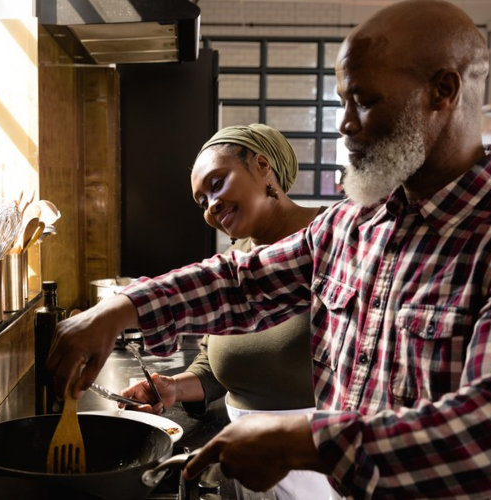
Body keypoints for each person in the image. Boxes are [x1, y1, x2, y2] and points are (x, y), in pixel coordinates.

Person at [50, 0, 491, 497]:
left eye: (365, 100)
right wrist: (119, 309)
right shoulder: (355, 223)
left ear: (442, 91)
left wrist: (302, 440)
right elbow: (242, 283)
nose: (346, 124)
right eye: (342, 101)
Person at [117, 123, 336, 499]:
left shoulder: (336, 244)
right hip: (244, 462)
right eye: (202, 202)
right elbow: (215, 359)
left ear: (263, 167)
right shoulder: (231, 270)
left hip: (315, 467)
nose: (211, 206)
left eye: (217, 184)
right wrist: (175, 387)